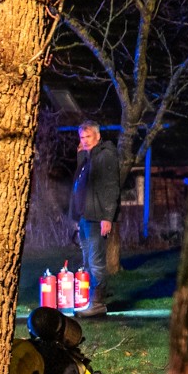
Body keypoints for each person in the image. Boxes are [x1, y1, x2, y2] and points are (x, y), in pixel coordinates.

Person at [68, 120, 119, 317]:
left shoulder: (105, 155)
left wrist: (107, 217)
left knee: (95, 261)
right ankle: (91, 301)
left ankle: (98, 303)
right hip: (85, 216)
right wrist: (81, 155)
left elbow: (111, 186)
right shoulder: (89, 158)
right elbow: (80, 186)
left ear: (97, 137)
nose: (85, 141)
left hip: (97, 217)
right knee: (87, 260)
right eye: (82, 137)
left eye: (88, 136)